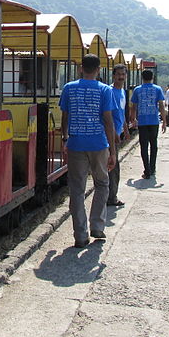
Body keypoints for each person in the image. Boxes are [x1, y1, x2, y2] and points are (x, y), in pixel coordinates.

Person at [60, 54, 116, 248]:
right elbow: (108, 121)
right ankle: (97, 226)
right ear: (99, 69)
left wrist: (65, 138)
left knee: (77, 190)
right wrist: (113, 151)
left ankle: (80, 235)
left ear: (80, 68)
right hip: (99, 145)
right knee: (102, 183)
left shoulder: (69, 88)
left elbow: (65, 116)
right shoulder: (105, 90)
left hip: (76, 144)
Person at [129, 69, 166, 180]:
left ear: (142, 77)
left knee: (144, 147)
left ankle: (147, 170)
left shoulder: (137, 90)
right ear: (152, 77)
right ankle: (152, 167)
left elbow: (133, 107)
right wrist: (164, 121)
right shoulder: (157, 89)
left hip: (143, 122)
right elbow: (161, 106)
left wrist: (133, 119)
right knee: (154, 145)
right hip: (154, 121)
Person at [107, 64, 130, 207]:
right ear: (114, 75)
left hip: (118, 132)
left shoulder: (122, 92)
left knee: (113, 166)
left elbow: (121, 113)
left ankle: (111, 195)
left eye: (123, 74)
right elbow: (107, 115)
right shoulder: (109, 92)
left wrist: (125, 129)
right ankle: (111, 198)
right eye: (119, 74)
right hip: (111, 134)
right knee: (113, 167)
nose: (121, 77)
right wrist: (114, 132)